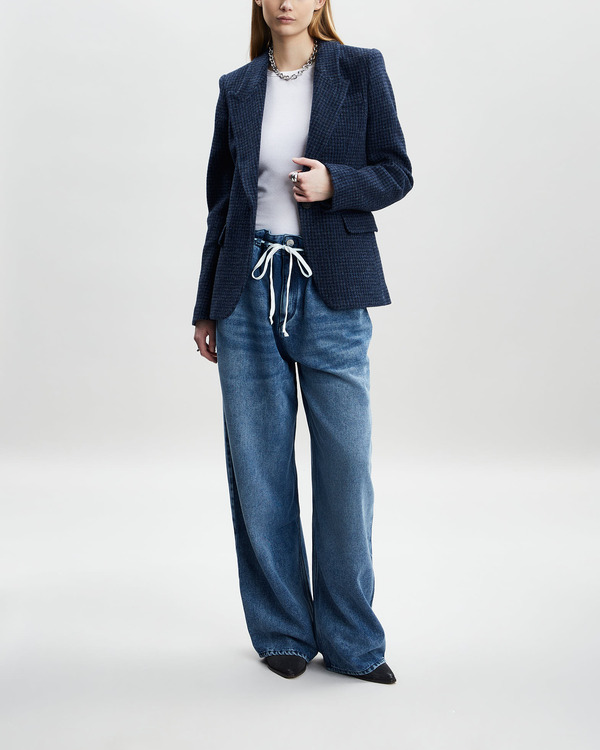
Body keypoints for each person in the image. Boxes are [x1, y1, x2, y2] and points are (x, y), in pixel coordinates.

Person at [192, 0, 413, 684]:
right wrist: (206, 306)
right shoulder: (238, 86)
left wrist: (336, 182)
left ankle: (352, 640)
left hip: (332, 290)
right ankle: (282, 630)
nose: (286, 0)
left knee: (346, 469)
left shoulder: (360, 70)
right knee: (258, 468)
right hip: (247, 289)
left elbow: (397, 170)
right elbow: (222, 204)